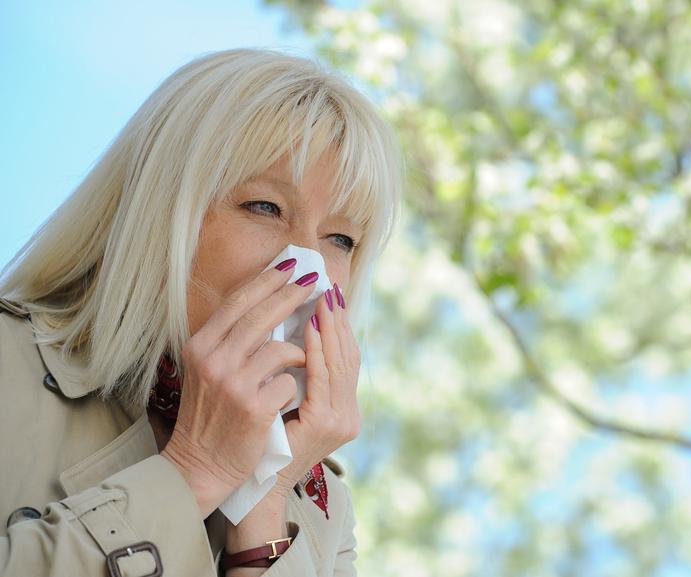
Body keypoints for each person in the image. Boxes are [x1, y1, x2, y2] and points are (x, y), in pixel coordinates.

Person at [0, 47, 402, 576]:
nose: (306, 263)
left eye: (342, 238)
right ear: (160, 211)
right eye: (266, 207)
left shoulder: (322, 509)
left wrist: (265, 505)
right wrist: (195, 471)